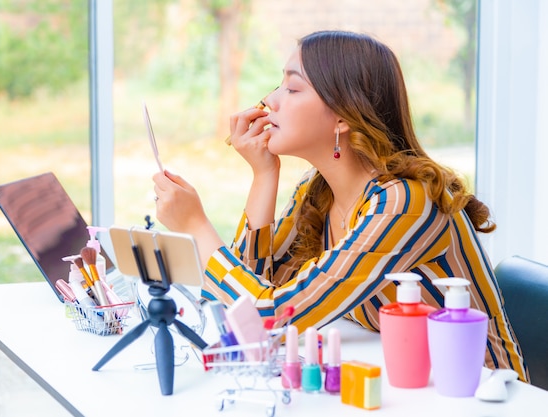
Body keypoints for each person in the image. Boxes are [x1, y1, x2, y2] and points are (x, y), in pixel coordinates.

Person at [152, 30, 528, 382]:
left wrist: (196, 226)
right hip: (405, 386)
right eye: (279, 83)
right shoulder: (318, 192)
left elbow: (268, 316)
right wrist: (264, 176)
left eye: (293, 87)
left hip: (479, 395)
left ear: (344, 117)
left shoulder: (404, 202)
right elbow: (243, 301)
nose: (270, 100)